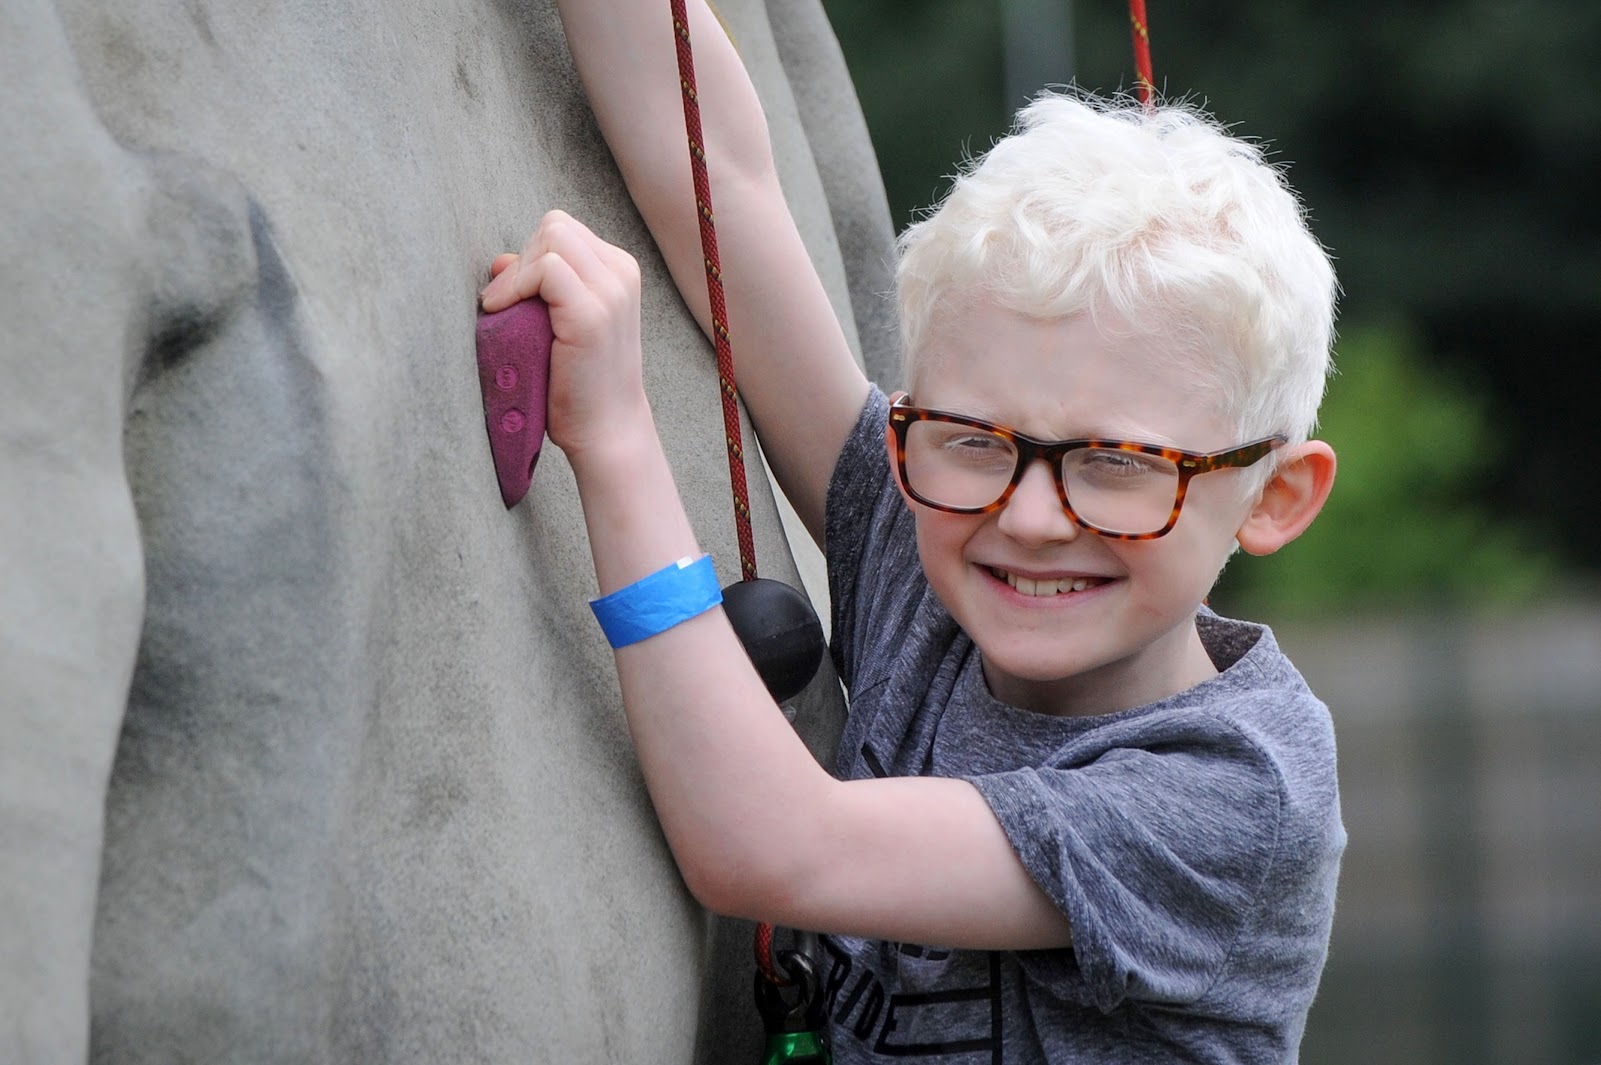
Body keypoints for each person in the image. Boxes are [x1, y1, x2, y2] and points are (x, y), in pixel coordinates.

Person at [478, 0, 1345, 1059]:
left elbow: (773, 847)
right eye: (973, 439)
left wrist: (614, 437)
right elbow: (720, 182)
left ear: (1273, 495)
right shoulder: (933, 541)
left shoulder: (1230, 791)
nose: (1028, 519)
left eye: (1117, 464)